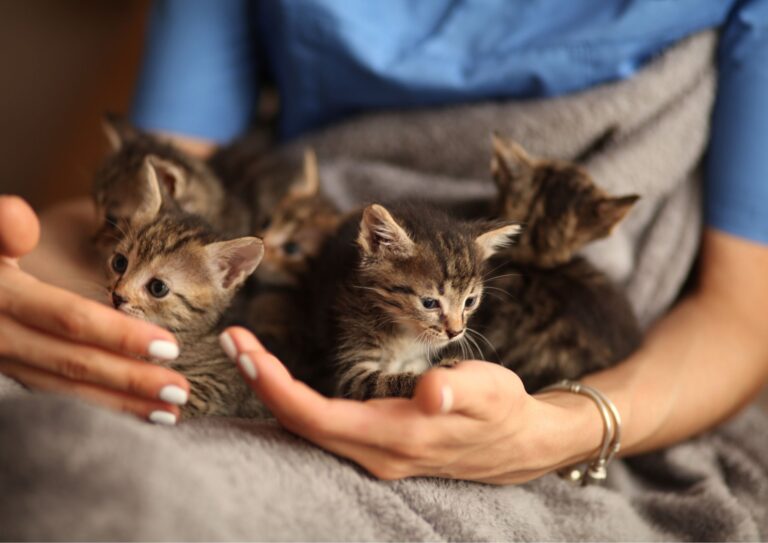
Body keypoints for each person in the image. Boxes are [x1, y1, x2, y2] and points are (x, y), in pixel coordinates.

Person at [2, 0, 768, 484]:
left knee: (114, 494)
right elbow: (162, 200)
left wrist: (566, 429)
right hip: (299, 263)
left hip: (599, 374)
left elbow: (743, 310)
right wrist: (28, 272)